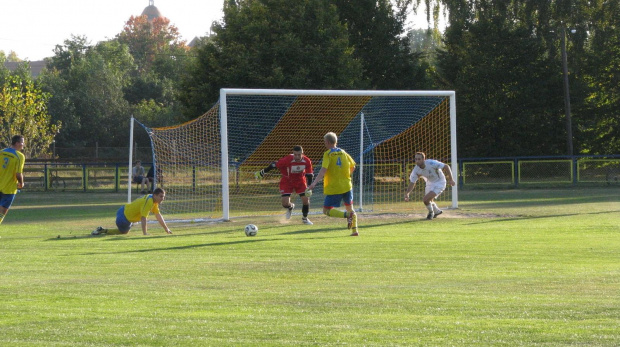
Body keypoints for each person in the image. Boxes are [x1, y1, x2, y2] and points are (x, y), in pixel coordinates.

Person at [307, 132, 358, 236]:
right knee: (350, 207)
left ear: (328, 142)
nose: (324, 143)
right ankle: (355, 231)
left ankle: (347, 215)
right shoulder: (343, 152)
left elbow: (323, 170)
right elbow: (353, 166)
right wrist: (345, 175)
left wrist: (314, 183)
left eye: (325, 142)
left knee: (326, 210)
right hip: (347, 185)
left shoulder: (328, 154)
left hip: (334, 187)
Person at [254, 145, 314, 225]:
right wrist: (263, 172)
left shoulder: (307, 161)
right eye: (295, 154)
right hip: (287, 181)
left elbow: (309, 175)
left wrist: (309, 187)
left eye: (299, 154)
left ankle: (305, 218)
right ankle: (290, 207)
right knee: (285, 203)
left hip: (300, 181)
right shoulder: (287, 159)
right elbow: (274, 165)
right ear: (293, 153)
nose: (297, 156)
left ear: (302, 154)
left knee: (306, 200)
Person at [92, 188, 172, 236]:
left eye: (163, 197)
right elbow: (143, 218)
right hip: (124, 217)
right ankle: (102, 230)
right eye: (161, 196)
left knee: (124, 231)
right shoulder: (149, 201)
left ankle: (101, 230)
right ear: (155, 195)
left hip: (123, 211)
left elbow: (158, 215)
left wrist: (166, 229)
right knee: (123, 232)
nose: (163, 198)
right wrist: (145, 233)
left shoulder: (153, 200)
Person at [404, 152, 456, 220]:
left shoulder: (431, 163)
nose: (417, 161)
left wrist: (451, 179)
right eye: (416, 159)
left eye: (419, 159)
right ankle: (437, 211)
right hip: (429, 182)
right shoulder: (416, 170)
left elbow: (446, 166)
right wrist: (407, 193)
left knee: (425, 199)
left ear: (423, 159)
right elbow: (412, 182)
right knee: (428, 200)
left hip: (440, 182)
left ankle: (431, 213)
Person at [0, 135, 25, 225]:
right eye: (22, 142)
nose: (23, 145)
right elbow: (18, 173)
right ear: (17, 143)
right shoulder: (19, 156)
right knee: (2, 211)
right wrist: (21, 183)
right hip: (9, 188)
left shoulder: (1, 152)